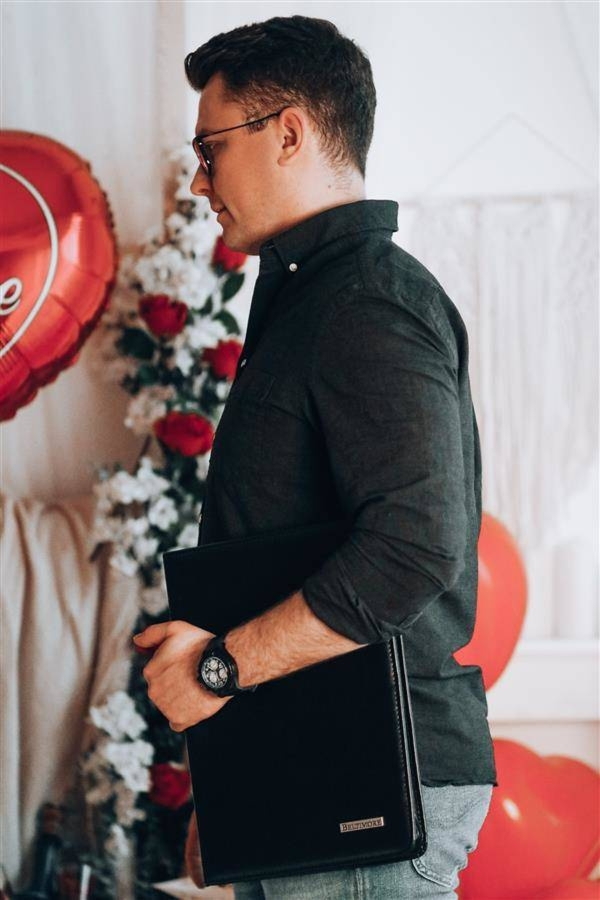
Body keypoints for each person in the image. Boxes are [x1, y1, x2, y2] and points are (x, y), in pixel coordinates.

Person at [132, 14, 497, 899]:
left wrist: (217, 672)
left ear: (288, 132)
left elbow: (411, 549)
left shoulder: (368, 303)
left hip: (372, 785)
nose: (200, 178)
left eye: (211, 148)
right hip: (306, 777)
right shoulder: (313, 299)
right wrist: (237, 769)